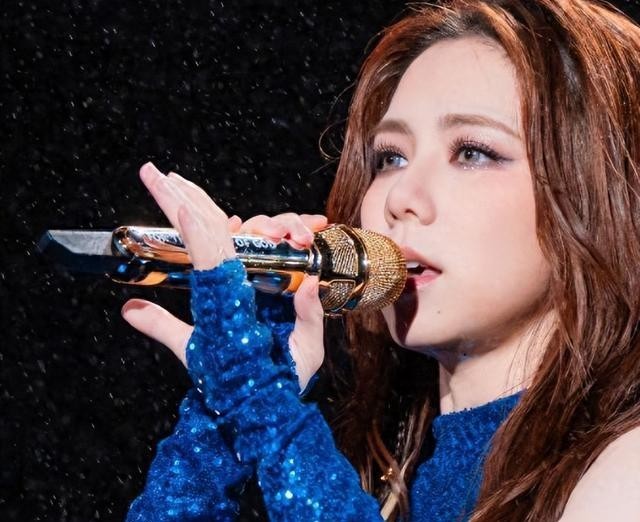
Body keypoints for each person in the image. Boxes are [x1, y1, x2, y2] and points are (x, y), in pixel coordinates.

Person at [122, 0, 640, 520]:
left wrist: (255, 395)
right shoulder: (400, 482)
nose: (400, 197)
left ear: (599, 196)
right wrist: (216, 429)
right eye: (391, 158)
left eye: (472, 152)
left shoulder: (628, 469)